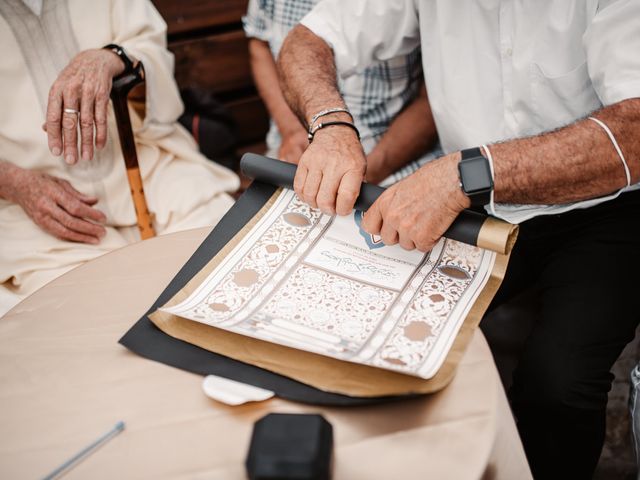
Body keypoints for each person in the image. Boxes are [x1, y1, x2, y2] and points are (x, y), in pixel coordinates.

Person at [276, 1, 640, 478]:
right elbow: (306, 41)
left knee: (558, 385)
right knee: (365, 328)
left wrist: (464, 175)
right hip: (475, 206)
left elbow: (633, 133)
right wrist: (331, 124)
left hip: (606, 206)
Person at [0, 0, 239, 316]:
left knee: (235, 262)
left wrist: (115, 57)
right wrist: (13, 182)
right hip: (35, 210)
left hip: (151, 168)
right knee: (90, 318)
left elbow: (151, 54)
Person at [243, 0, 439, 186]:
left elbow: (434, 97)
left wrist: (367, 173)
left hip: (396, 160)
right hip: (293, 155)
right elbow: (260, 45)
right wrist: (291, 130)